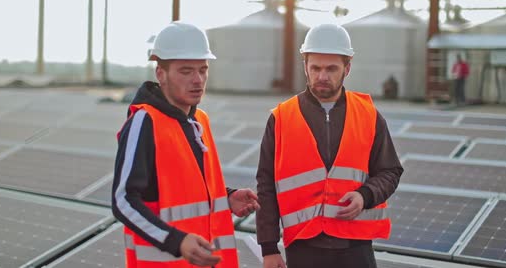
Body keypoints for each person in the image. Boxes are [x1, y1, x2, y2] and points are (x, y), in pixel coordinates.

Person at [112, 22, 260, 268]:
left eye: (203, 70)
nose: (197, 80)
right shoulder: (144, 121)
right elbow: (123, 199)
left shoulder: (199, 120)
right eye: (186, 71)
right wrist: (176, 241)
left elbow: (186, 189)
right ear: (161, 74)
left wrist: (227, 197)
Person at [255, 24, 403, 268]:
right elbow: (266, 185)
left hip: (356, 248)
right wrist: (269, 248)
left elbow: (390, 171)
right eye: (315, 68)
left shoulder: (368, 115)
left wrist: (365, 195)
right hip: (304, 248)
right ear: (305, 67)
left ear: (347, 68)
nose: (322, 76)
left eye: (331, 68)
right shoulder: (281, 118)